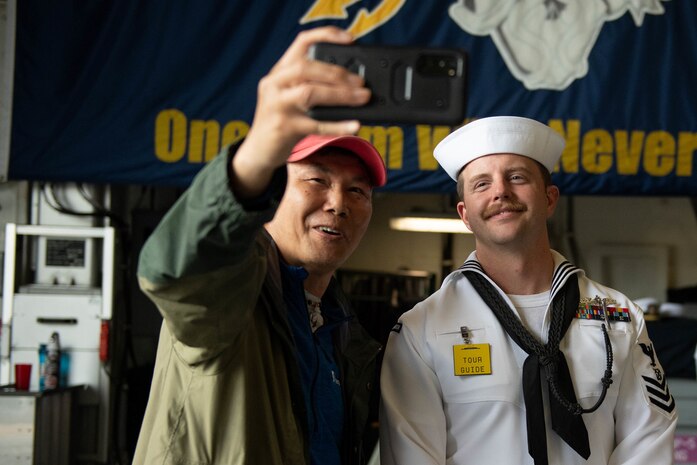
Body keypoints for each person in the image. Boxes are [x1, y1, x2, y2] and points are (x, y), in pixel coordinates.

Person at [133, 27, 386, 465]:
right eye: (316, 180)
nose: (338, 204)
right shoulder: (229, 300)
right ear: (273, 192)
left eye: (358, 192)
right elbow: (175, 271)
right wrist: (255, 157)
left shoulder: (343, 332)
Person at [379, 116, 678, 465]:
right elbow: (411, 456)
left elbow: (648, 441)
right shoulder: (421, 330)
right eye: (481, 184)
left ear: (550, 199)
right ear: (465, 214)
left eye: (517, 177)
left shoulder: (620, 317)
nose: (500, 191)